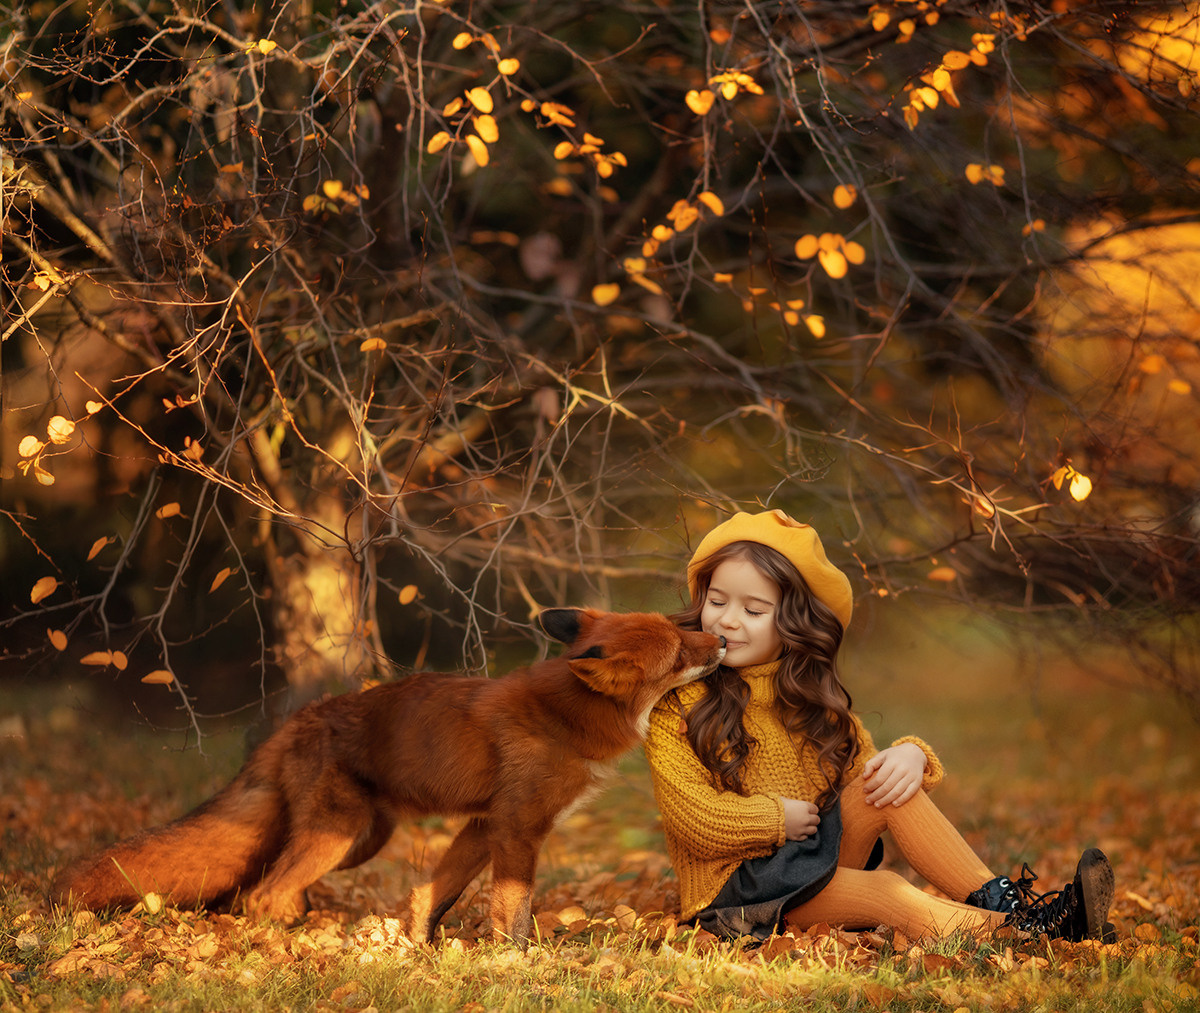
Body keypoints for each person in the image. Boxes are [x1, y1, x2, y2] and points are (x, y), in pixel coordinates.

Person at [645, 509, 1115, 943]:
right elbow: (692, 821)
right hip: (738, 896)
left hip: (807, 863)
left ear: (792, 621)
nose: (727, 621)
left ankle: (1012, 910)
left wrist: (911, 756)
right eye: (717, 600)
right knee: (888, 891)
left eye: (752, 610)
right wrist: (776, 819)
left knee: (885, 786)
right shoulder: (680, 703)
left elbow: (866, 782)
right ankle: (1031, 934)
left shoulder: (809, 702)